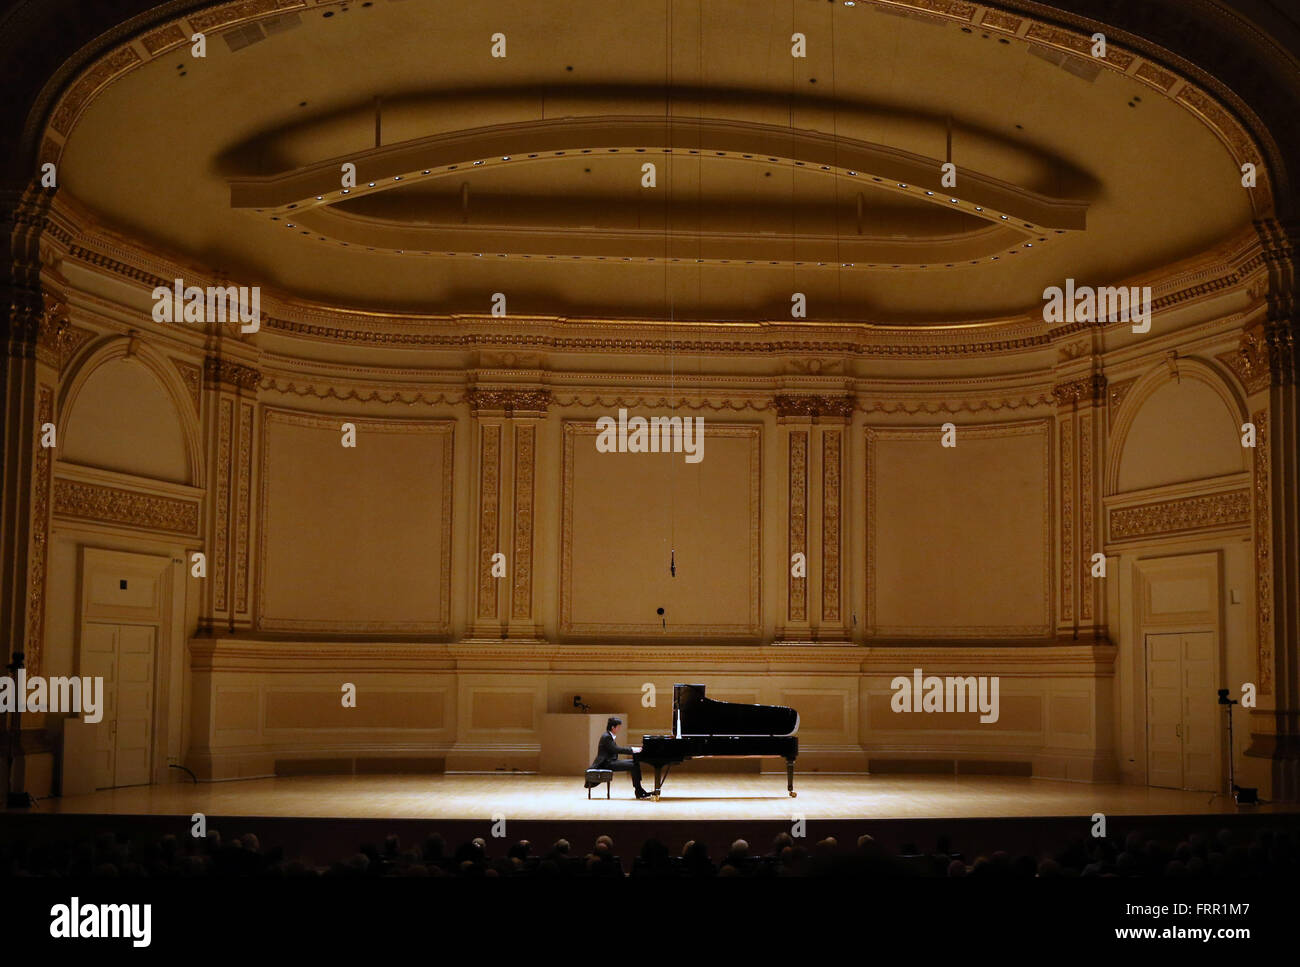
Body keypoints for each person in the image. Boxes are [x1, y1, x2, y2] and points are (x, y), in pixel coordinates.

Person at [590, 717, 650, 799]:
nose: (619, 729)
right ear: (613, 727)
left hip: (610, 762)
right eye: (618, 727)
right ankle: (638, 790)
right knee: (633, 765)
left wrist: (633, 749)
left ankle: (639, 790)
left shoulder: (608, 735)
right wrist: (633, 749)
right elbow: (616, 749)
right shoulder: (606, 737)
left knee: (635, 763)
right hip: (607, 764)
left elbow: (615, 749)